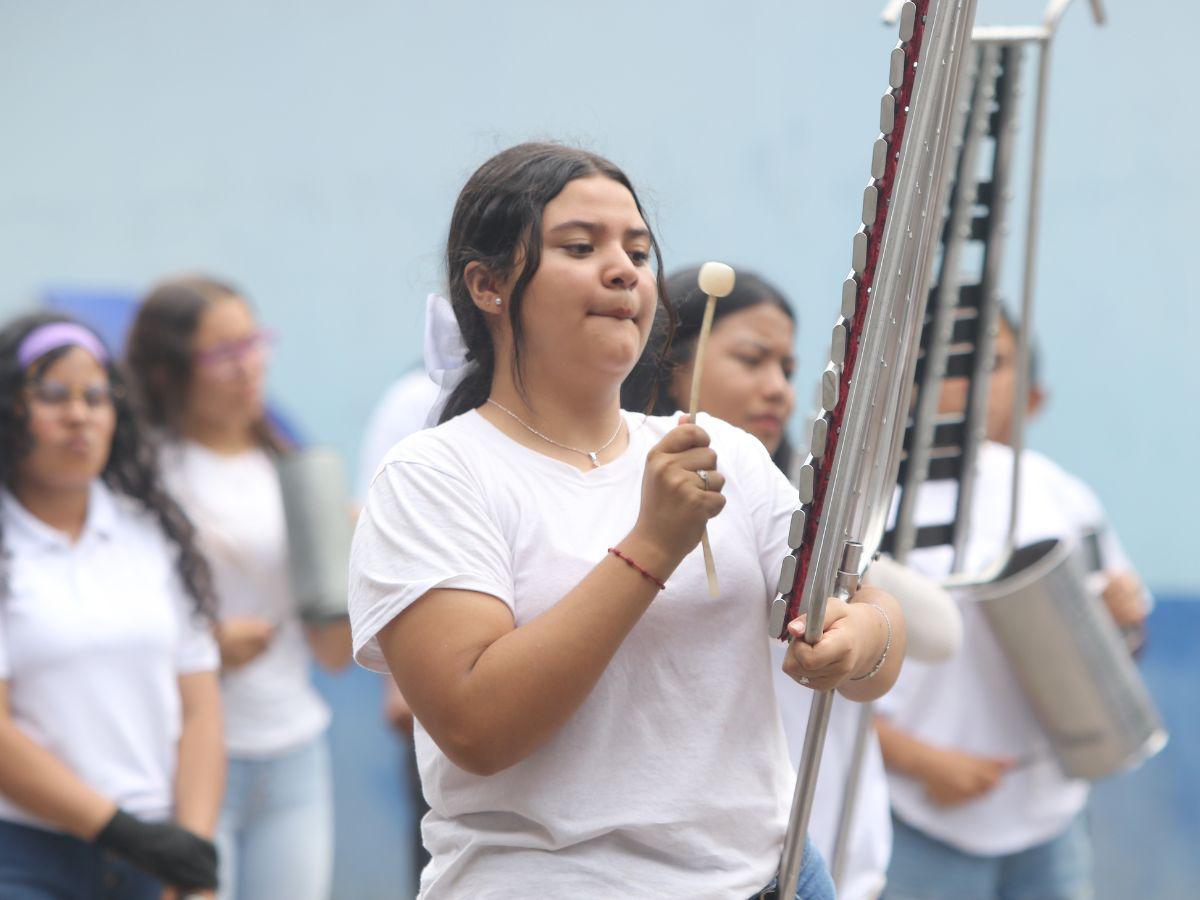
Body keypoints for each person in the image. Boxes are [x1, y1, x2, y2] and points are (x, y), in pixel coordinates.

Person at [349, 141, 907, 899]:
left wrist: (857, 643)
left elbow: (869, 608)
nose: (623, 270)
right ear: (487, 285)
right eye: (581, 247)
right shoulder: (435, 476)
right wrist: (650, 546)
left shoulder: (726, 455)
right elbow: (478, 728)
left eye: (638, 252)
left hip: (770, 878)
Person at [624, 267, 961, 900]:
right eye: (752, 360)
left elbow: (940, 632)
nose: (778, 389)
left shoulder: (803, 513)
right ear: (670, 364)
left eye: (786, 368)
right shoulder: (609, 504)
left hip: (824, 856)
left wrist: (860, 614)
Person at [875, 313, 1150, 899]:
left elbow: (1123, 646)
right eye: (948, 362)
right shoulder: (878, 506)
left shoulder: (1057, 492)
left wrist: (1123, 621)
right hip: (920, 813)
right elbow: (817, 677)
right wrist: (920, 762)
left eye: (992, 363)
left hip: (1051, 814)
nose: (970, 379)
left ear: (1030, 391)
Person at [126, 277, 352, 900]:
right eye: (223, 353)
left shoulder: (289, 467)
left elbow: (334, 653)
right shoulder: (141, 477)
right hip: (188, 759)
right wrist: (206, 648)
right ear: (169, 371)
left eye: (254, 342)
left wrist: (352, 555)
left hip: (295, 746)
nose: (249, 364)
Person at [0, 313, 223, 898]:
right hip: (24, 854)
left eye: (96, 396)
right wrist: (120, 831)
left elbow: (200, 707)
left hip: (156, 853)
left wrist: (190, 853)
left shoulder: (153, 534)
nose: (79, 415)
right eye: (52, 395)